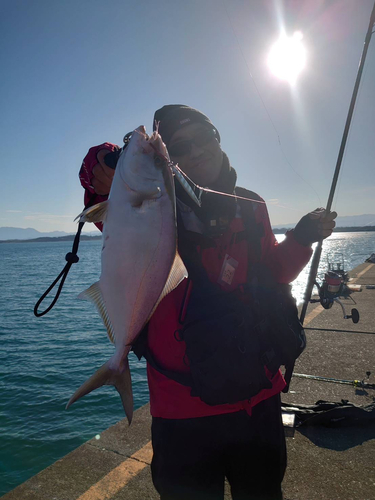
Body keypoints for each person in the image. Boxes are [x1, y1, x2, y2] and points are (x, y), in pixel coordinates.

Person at [79, 105, 336, 500]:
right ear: (170, 159)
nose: (197, 150)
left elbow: (271, 273)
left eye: (205, 137)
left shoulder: (251, 205)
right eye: (181, 145)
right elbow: (98, 182)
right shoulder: (148, 199)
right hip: (182, 411)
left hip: (258, 400)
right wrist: (108, 161)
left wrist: (300, 239)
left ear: (218, 139)